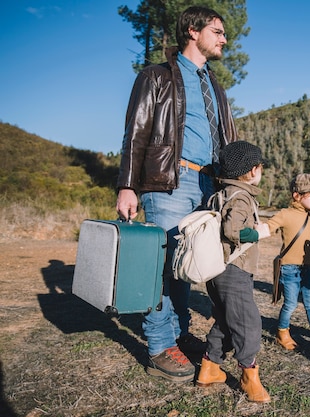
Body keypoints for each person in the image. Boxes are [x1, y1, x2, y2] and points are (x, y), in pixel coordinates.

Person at [115, 6, 237, 382]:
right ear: (192, 31)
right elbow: (136, 132)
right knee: (163, 267)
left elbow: (226, 138)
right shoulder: (157, 76)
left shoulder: (214, 85)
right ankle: (158, 345)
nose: (224, 39)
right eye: (217, 31)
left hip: (207, 184)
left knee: (186, 266)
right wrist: (127, 185)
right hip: (170, 180)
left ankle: (179, 334)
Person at [195, 141, 271, 403]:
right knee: (248, 323)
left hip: (218, 270)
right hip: (234, 269)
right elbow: (232, 231)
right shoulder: (241, 197)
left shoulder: (221, 193)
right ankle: (249, 377)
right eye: (260, 167)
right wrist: (258, 233)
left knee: (226, 320)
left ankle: (210, 368)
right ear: (252, 171)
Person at [264, 173, 310, 350]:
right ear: (297, 195)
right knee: (290, 303)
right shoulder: (285, 214)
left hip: (306, 268)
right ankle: (282, 333)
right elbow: (267, 227)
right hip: (288, 269)